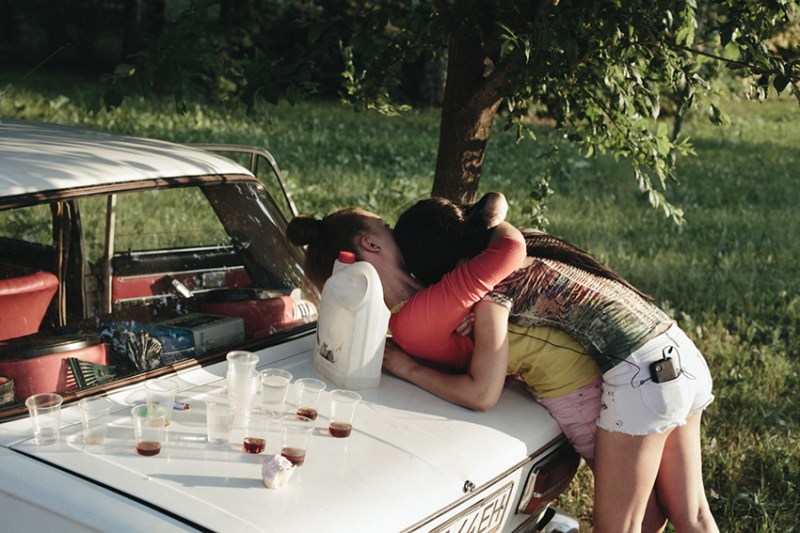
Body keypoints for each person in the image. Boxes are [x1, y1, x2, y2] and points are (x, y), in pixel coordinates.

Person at [389, 196, 719, 533]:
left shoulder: (492, 297)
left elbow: (482, 393)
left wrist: (406, 366)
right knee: (693, 515)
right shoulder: (528, 242)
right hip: (678, 350)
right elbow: (496, 204)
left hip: (641, 374)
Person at [286, 197, 604, 467]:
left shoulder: (431, 293)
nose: (397, 231)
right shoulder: (417, 318)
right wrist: (490, 220)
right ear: (371, 244)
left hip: (579, 374)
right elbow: (509, 248)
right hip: (577, 388)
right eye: (388, 227)